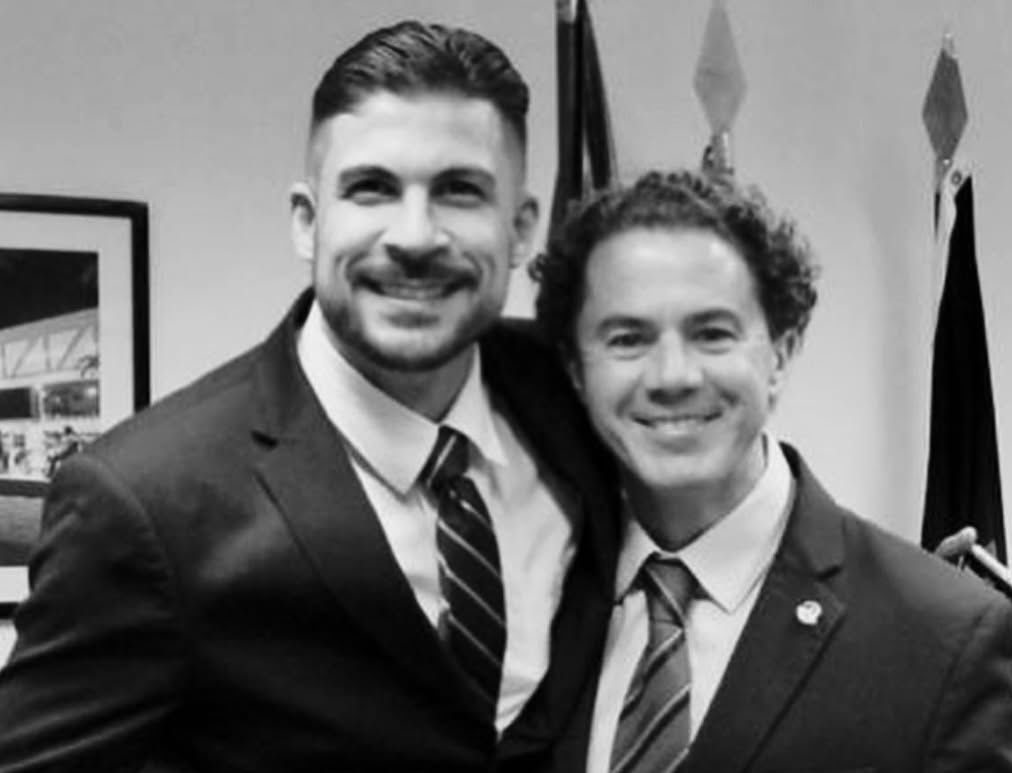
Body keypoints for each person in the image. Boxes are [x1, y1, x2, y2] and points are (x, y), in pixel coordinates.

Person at [0, 21, 620, 772]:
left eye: (460, 191)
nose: (415, 236)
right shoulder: (144, 501)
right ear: (307, 220)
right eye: (371, 189)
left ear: (520, 228)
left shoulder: (576, 397)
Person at [529, 170, 1012, 771]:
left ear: (782, 350)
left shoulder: (939, 637)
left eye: (712, 334)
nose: (672, 376)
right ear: (575, 369)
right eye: (626, 339)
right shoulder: (527, 595)